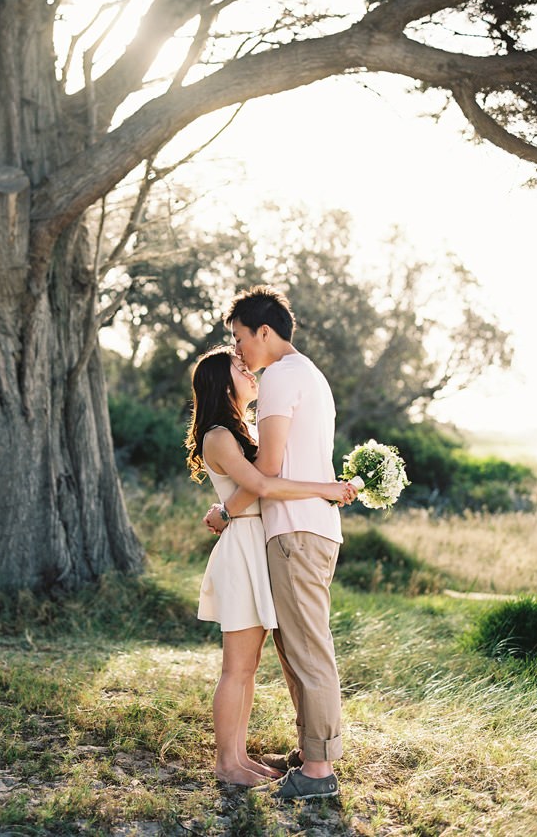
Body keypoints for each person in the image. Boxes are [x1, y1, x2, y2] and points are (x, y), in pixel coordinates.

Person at [203, 286, 350, 801]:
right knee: (298, 649)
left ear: (263, 331)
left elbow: (267, 470)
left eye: (240, 337)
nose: (238, 350)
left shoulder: (281, 378)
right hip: (305, 527)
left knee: (307, 651)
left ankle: (317, 771)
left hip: (296, 529)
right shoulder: (307, 374)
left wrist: (224, 511)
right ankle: (313, 754)